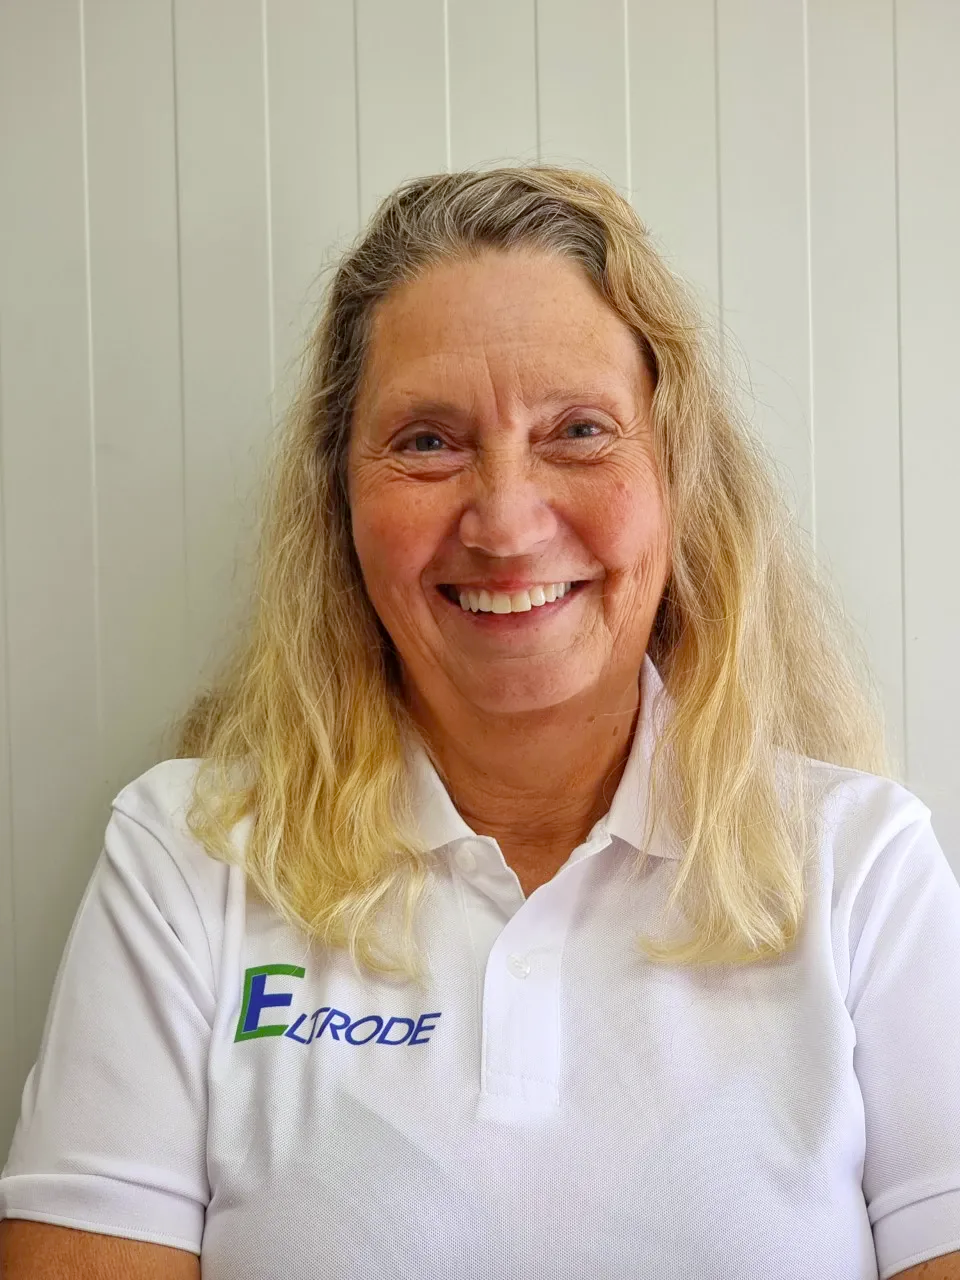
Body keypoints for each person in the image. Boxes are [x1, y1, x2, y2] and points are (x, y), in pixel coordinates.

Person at [1, 166, 959, 1280]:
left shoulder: (858, 866)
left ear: (680, 479)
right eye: (427, 441)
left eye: (580, 430)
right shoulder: (191, 856)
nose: (505, 523)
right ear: (339, 499)